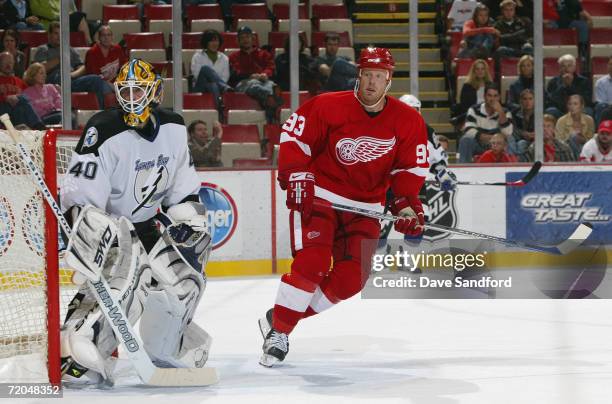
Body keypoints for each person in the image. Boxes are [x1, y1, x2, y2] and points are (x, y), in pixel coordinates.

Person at [257, 47, 429, 367]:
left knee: (351, 280)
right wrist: (296, 175)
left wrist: (407, 207)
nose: (372, 83)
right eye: (367, 75)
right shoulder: (327, 106)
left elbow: (407, 172)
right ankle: (280, 331)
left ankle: (281, 317)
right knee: (314, 263)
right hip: (320, 196)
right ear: (359, 75)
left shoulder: (407, 122)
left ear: (389, 81)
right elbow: (295, 140)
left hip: (366, 207)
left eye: (379, 76)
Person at [58, 59, 213, 385]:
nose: (132, 96)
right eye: (125, 90)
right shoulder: (103, 129)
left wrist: (187, 219)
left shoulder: (173, 127)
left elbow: (183, 191)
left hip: (150, 225)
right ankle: (79, 353)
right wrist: (91, 231)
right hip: (115, 229)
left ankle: (170, 349)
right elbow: (79, 195)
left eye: (138, 89)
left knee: (186, 279)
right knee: (125, 286)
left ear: (154, 90)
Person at [378, 94, 457, 247]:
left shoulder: (426, 130)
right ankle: (373, 262)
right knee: (377, 225)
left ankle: (407, 262)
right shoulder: (385, 127)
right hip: (386, 185)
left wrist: (443, 174)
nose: (412, 114)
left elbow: (437, 159)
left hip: (414, 187)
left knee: (418, 223)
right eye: (408, 110)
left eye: (415, 110)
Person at [34, 22, 113, 109]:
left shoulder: (69, 49)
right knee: (60, 74)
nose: (59, 36)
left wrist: (72, 75)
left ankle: (99, 112)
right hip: (54, 81)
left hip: (73, 80)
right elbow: (40, 69)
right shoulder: (43, 49)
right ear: (49, 35)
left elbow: (82, 67)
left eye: (61, 33)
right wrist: (60, 58)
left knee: (96, 79)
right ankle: (66, 109)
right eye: (56, 33)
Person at [228, 26, 281, 123]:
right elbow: (235, 73)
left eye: (247, 37)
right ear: (238, 41)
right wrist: (250, 75)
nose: (245, 40)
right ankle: (271, 103)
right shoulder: (233, 56)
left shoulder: (264, 54)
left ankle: (270, 111)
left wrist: (265, 74)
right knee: (254, 85)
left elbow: (271, 67)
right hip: (244, 82)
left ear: (253, 39)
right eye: (242, 38)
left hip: (263, 81)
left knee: (271, 85)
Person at [458, 83, 514, 162]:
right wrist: (490, 138)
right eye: (489, 95)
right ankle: (463, 171)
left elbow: (508, 132)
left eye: (495, 96)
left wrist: (500, 112)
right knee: (465, 140)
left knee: (510, 140)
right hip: (479, 143)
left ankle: (510, 168)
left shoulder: (505, 112)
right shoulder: (474, 110)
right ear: (484, 96)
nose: (492, 99)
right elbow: (468, 130)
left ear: (499, 97)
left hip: (498, 145)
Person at [0, 51, 44, 130]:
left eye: (10, 62)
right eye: (5, 62)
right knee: (22, 98)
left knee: (21, 105)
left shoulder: (19, 81)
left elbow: (30, 96)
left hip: (17, 112)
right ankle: (38, 125)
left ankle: (25, 132)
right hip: (3, 111)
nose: (8, 65)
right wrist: (6, 98)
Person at [191, 29, 232, 107]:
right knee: (205, 69)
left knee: (213, 85)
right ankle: (224, 87)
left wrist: (213, 81)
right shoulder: (197, 56)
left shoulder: (224, 58)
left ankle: (219, 109)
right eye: (211, 41)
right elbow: (196, 75)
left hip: (217, 89)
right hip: (200, 87)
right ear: (206, 43)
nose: (214, 44)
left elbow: (225, 77)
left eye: (216, 41)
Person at [545, 54, 593, 119]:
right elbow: (551, 101)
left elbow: (587, 100)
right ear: (559, 68)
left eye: (569, 66)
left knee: (588, 111)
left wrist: (570, 86)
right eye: (563, 66)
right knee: (550, 111)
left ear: (574, 67)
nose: (566, 69)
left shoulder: (584, 81)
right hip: (560, 110)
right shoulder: (553, 82)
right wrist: (564, 86)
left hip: (579, 110)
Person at [513, 88, 535, 153]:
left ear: (534, 100)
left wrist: (535, 134)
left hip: (535, 140)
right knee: (521, 143)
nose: (528, 102)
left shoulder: (539, 114)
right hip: (518, 140)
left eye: (530, 99)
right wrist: (523, 133)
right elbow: (512, 129)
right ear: (520, 101)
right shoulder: (514, 113)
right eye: (525, 99)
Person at [594, 56, 612, 126]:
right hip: (607, 109)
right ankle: (601, 132)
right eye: (610, 64)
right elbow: (601, 102)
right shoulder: (600, 82)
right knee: (601, 106)